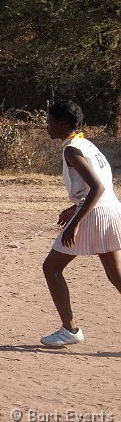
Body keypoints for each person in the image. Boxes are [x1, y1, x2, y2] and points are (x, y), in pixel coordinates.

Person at [40, 100, 121, 346]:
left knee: (51, 268)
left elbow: (97, 187)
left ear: (64, 123)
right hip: (111, 211)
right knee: (117, 276)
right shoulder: (86, 144)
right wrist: (73, 207)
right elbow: (97, 188)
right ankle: (69, 330)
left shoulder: (71, 150)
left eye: (50, 121)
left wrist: (75, 222)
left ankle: (70, 330)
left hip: (95, 214)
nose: (47, 126)